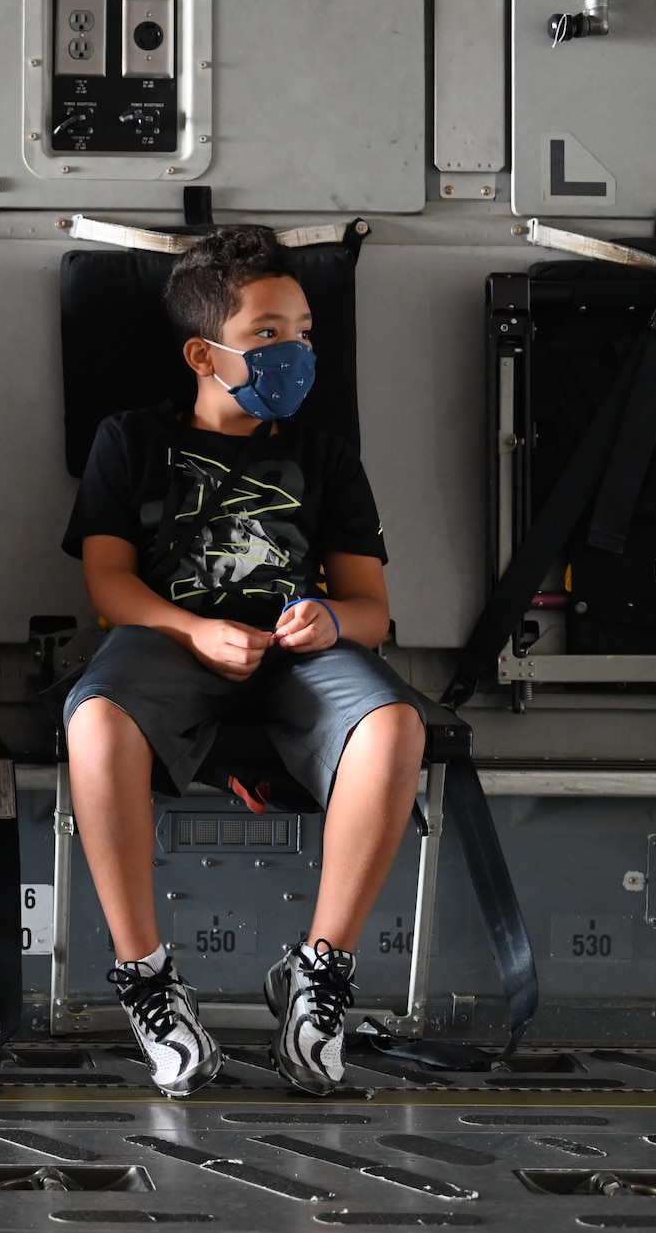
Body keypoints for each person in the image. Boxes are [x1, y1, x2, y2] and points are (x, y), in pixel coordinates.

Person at [60, 226, 425, 1096]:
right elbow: (110, 585)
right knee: (97, 719)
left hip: (299, 654)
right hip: (171, 640)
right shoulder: (131, 439)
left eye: (302, 331)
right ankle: (147, 976)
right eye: (268, 334)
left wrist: (330, 620)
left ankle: (318, 973)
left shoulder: (327, 456)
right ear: (204, 351)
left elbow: (373, 609)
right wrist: (192, 630)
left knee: (395, 724)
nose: (293, 350)